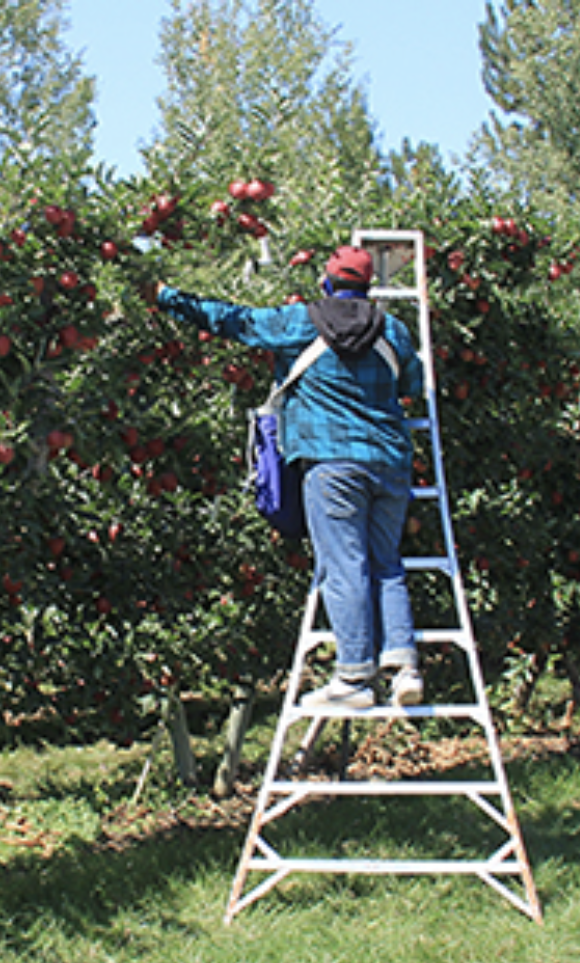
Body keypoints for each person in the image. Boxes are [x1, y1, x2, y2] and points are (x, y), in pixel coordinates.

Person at [156, 246, 426, 709]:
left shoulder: (301, 321)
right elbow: (413, 385)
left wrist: (168, 297)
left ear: (326, 281)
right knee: (386, 562)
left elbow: (233, 320)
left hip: (330, 462)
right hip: (390, 462)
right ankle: (403, 667)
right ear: (368, 286)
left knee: (343, 566)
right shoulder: (394, 330)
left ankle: (355, 678)